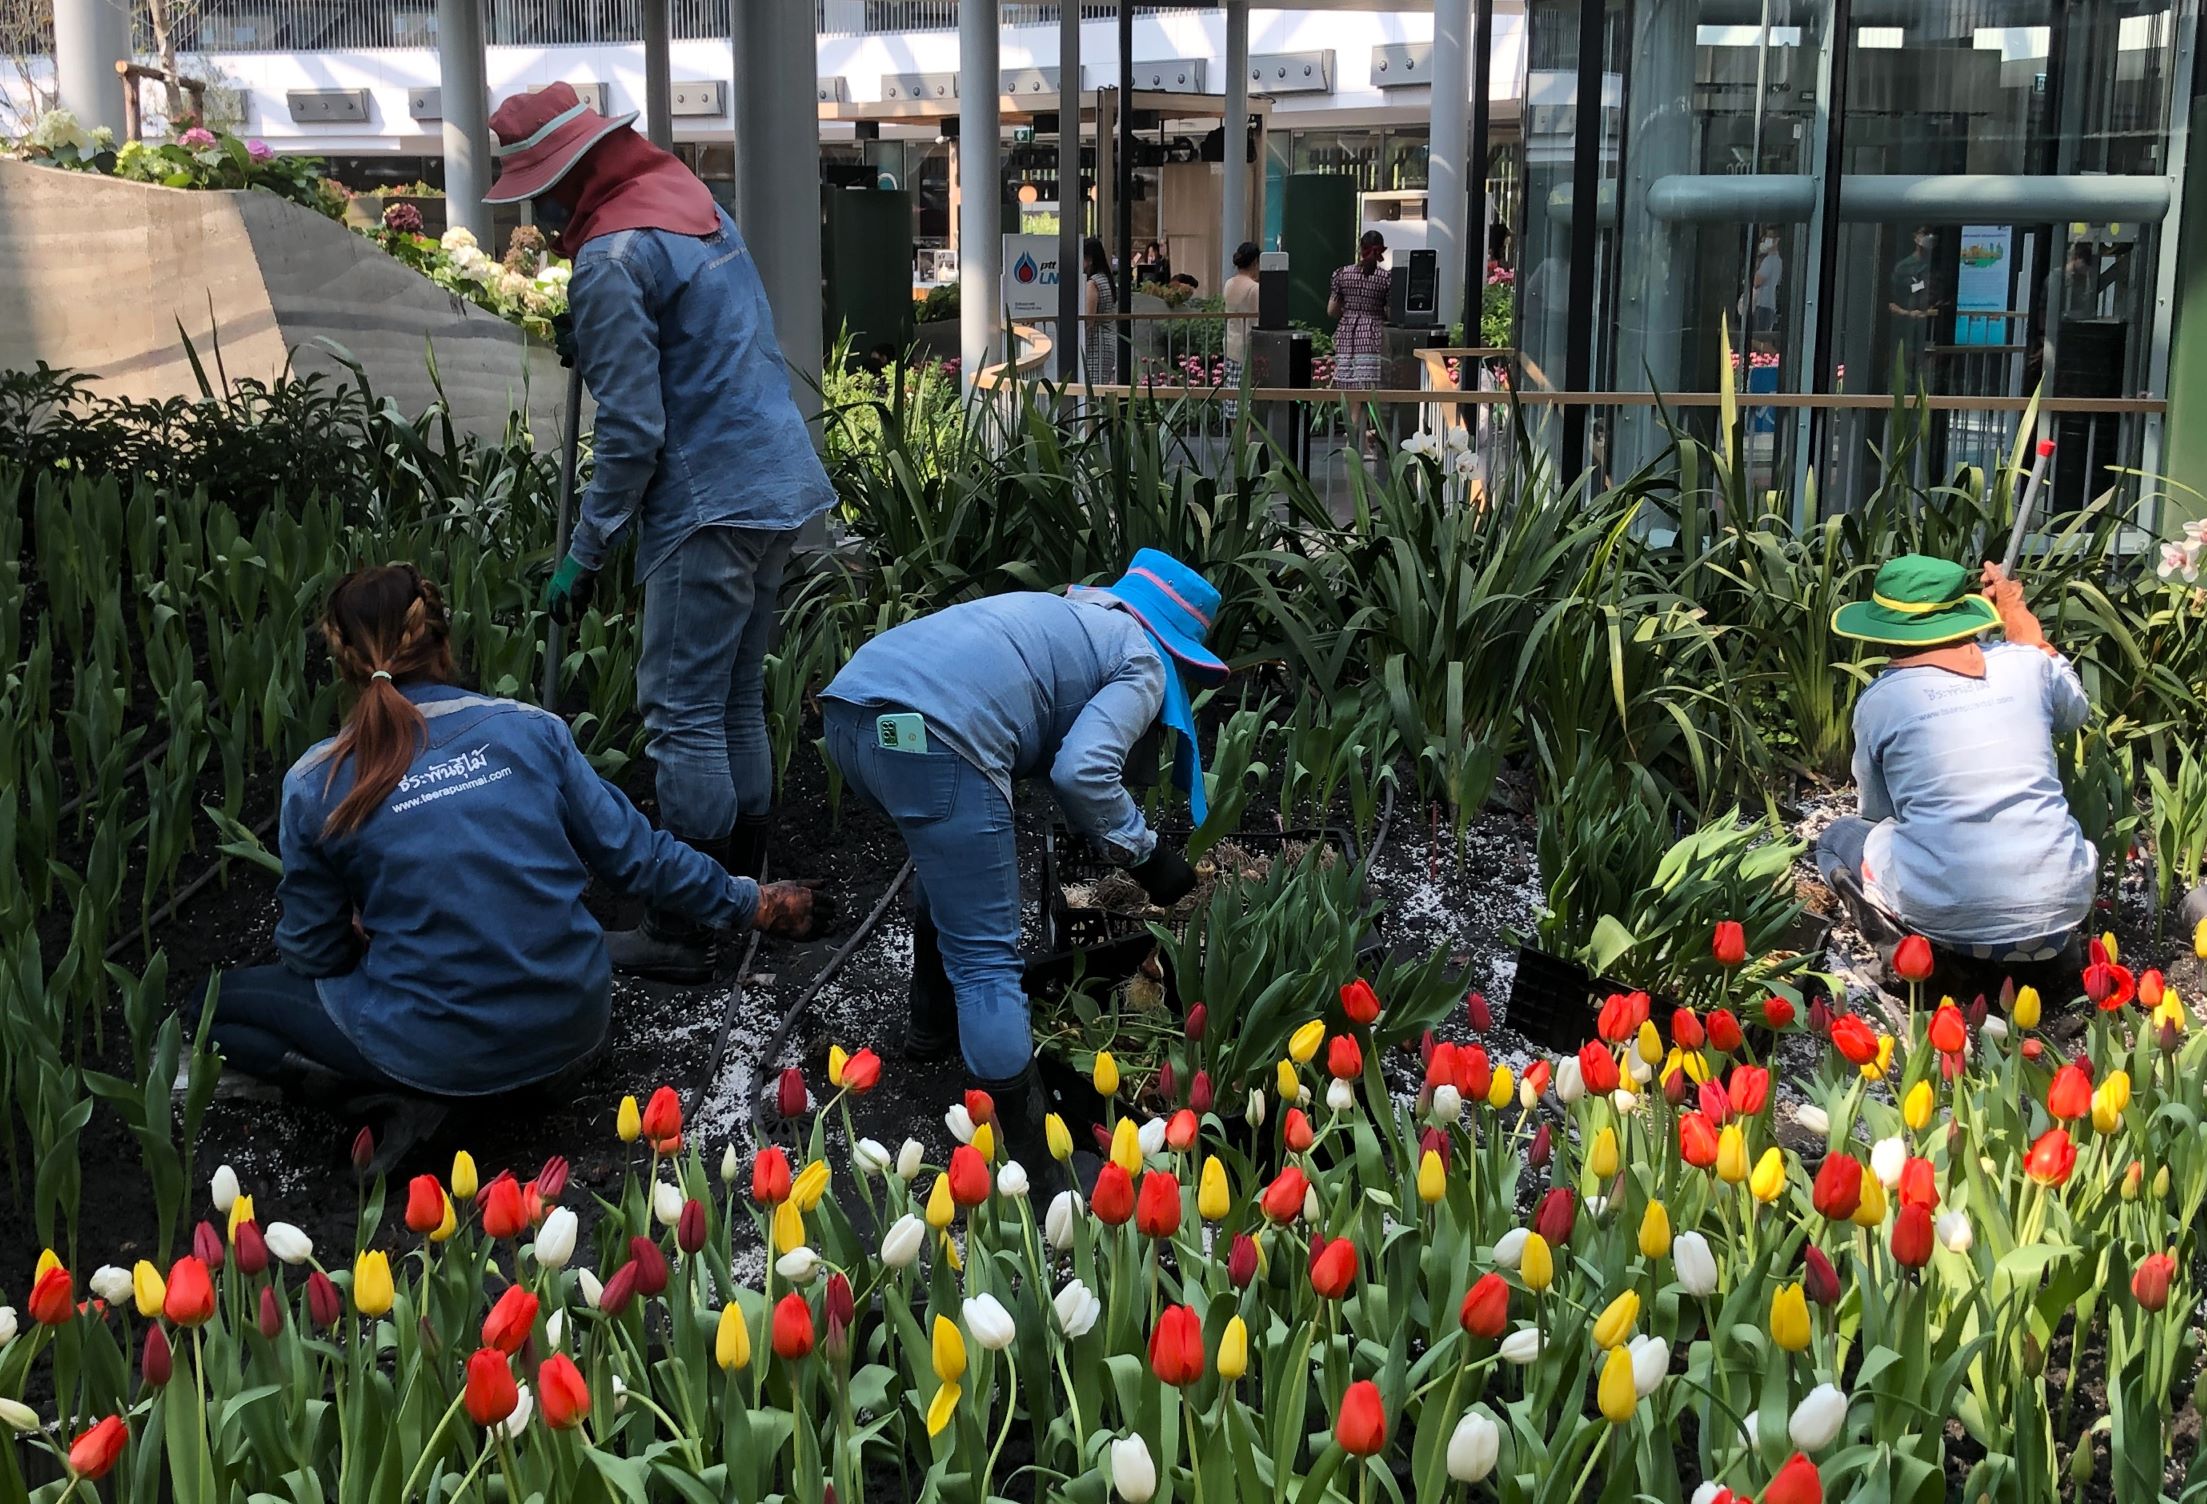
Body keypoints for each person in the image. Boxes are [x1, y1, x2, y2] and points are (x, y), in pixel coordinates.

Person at [215, 566, 827, 1149]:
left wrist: (373, 938)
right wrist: (758, 901)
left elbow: (314, 953)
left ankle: (404, 1097)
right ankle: (508, 1075)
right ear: (443, 643)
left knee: (214, 1009)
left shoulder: (317, 780)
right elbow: (640, 858)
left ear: (343, 662)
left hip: (437, 1051)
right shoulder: (531, 729)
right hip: (574, 1027)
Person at [484, 82, 835, 983]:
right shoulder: (691, 203)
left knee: (682, 715)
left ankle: (683, 928)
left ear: (570, 176)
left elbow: (634, 434)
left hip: (707, 499)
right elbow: (698, 337)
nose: (540, 205)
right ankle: (744, 885)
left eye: (542, 186)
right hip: (776, 482)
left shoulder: (609, 257)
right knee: (731, 701)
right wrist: (600, 337)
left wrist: (584, 552)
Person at [818, 549, 1225, 1170]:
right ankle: (1035, 1169)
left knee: (949, 859)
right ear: (1178, 653)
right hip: (937, 735)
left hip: (853, 716)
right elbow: (1083, 774)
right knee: (987, 961)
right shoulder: (1142, 659)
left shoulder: (1066, 617)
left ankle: (930, 1030)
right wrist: (1149, 860)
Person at [1818, 555, 2096, 971]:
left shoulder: (1881, 701)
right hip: (2061, 900)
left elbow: (1878, 813)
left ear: (1882, 632)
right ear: (1962, 615)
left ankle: (1908, 948)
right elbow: (2074, 710)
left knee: (1839, 838)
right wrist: (2016, 613)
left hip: (1943, 914)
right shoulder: (2028, 664)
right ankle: (2039, 953)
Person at [1329, 230, 1391, 392]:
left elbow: (1331, 310)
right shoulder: (1386, 278)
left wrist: (1347, 314)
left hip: (1346, 333)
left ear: (1360, 249)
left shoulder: (1342, 274)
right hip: (1373, 336)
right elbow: (1390, 312)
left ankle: (1350, 418)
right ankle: (1362, 418)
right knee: (1367, 388)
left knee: (1347, 387)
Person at [1887, 226, 1942, 383]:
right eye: (1925, 234)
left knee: (1925, 375)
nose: (1929, 238)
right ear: (1916, 237)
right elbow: (1892, 301)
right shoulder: (1904, 267)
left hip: (1931, 331)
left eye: (1932, 234)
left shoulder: (1937, 266)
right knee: (1903, 371)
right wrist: (1909, 313)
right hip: (1906, 329)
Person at [1221, 240, 1261, 419]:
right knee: (1248, 401)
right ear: (1254, 262)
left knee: (1232, 399)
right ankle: (1245, 443)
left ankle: (1235, 444)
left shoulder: (1229, 283)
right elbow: (1257, 320)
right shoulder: (1254, 288)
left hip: (1230, 345)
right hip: (1248, 347)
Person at [1082, 236, 1118, 386]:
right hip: (1107, 341)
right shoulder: (1105, 279)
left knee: (1092, 387)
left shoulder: (1093, 283)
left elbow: (1089, 320)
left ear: (1089, 259)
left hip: (1096, 343)